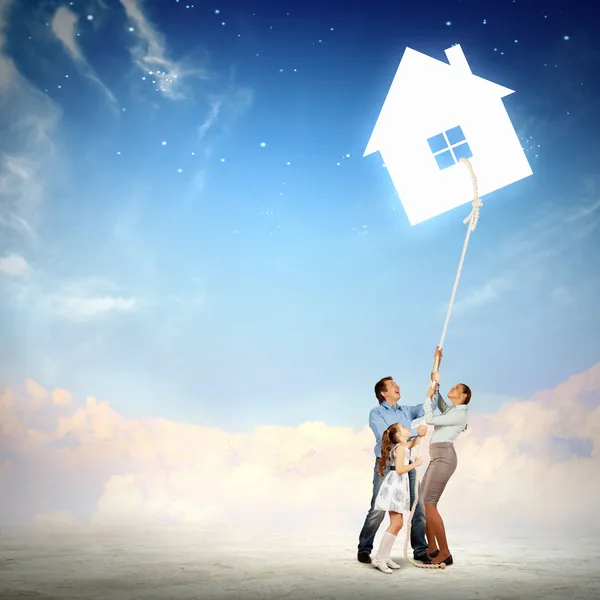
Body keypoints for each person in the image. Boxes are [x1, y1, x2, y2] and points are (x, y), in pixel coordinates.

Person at [357, 376, 431, 565]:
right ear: (383, 393)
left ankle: (420, 550)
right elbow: (387, 435)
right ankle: (365, 549)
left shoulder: (407, 410)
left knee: (418, 507)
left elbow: (428, 408)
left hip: (406, 463)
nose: (397, 386)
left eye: (396, 384)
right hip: (386, 466)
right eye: (392, 385)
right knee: (378, 509)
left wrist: (434, 386)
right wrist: (415, 432)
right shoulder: (376, 413)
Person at [421, 347, 471, 566]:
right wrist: (437, 362)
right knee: (422, 505)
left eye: (457, 388)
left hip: (444, 457)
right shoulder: (452, 410)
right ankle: (431, 548)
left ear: (464, 396)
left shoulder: (460, 412)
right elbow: (438, 394)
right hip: (437, 456)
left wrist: (427, 398)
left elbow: (431, 416)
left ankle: (445, 552)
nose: (453, 388)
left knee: (429, 503)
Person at [370, 423, 423, 573]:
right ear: (399, 435)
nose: (408, 429)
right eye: (404, 428)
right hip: (396, 486)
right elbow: (399, 469)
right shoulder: (400, 448)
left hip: (398, 485)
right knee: (396, 523)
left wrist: (420, 433)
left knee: (397, 523)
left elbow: (414, 442)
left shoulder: (402, 446)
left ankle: (384, 556)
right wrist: (416, 464)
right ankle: (380, 558)